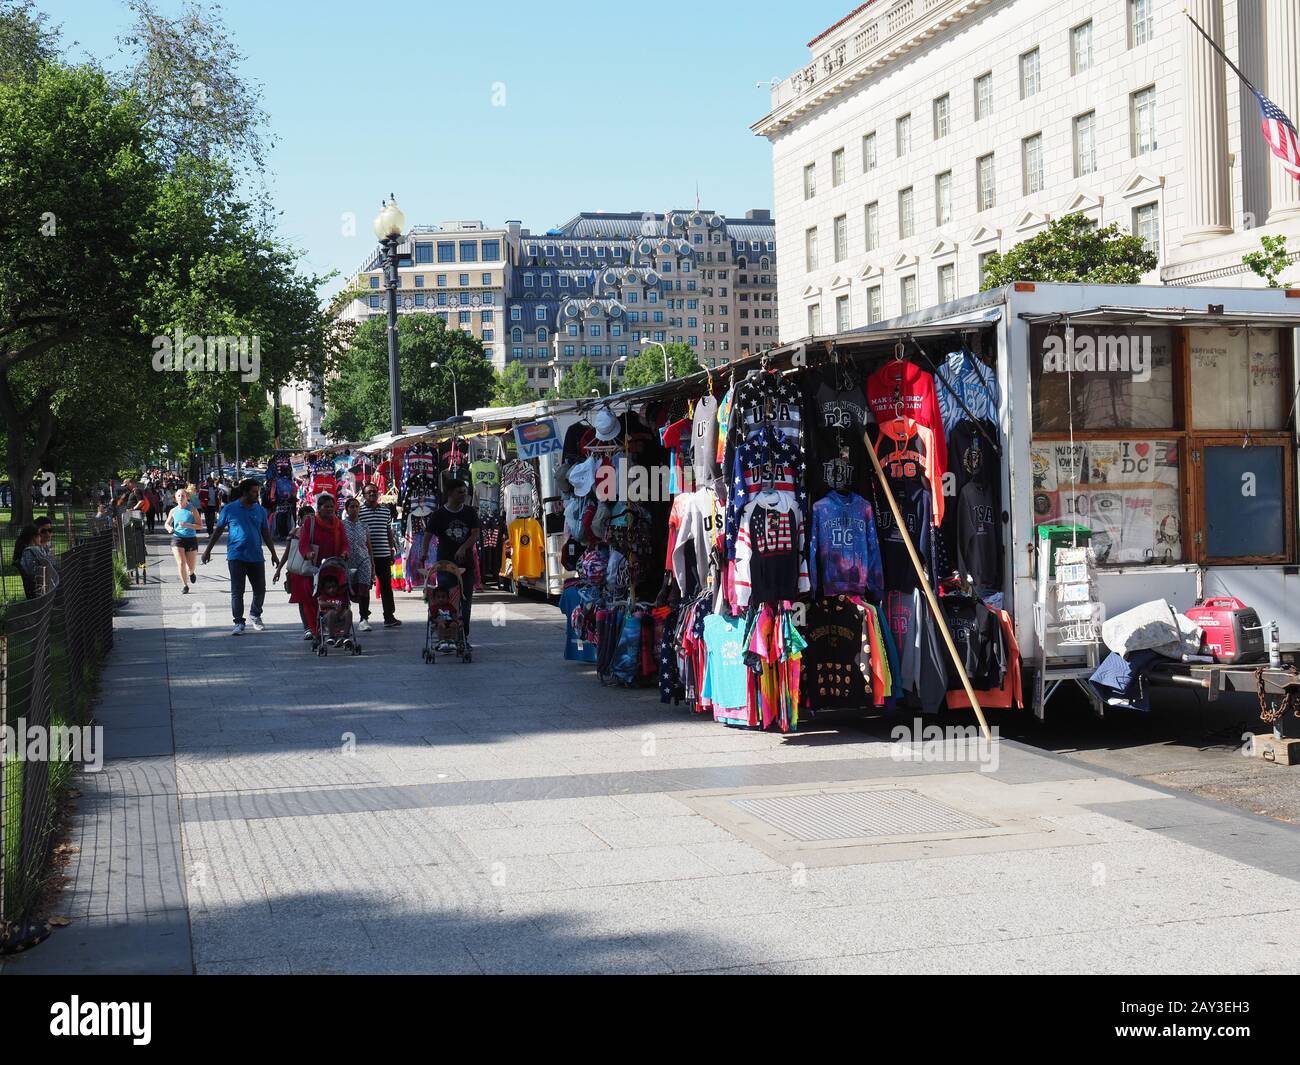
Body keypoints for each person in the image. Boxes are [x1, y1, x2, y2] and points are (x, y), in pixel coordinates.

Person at [201, 478, 278, 636]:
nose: (257, 495)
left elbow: (266, 533)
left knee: (260, 590)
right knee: (237, 591)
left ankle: (255, 615)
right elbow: (218, 531)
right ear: (244, 492)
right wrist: (207, 550)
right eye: (254, 492)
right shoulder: (229, 509)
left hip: (256, 556)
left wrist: (274, 554)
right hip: (236, 556)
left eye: (258, 492)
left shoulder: (260, 510)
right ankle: (238, 622)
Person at [423, 479, 480, 647]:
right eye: (459, 492)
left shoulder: (470, 512)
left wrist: (463, 548)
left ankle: (463, 637)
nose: (463, 495)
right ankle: (446, 635)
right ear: (449, 494)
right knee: (446, 601)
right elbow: (428, 535)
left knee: (465, 602)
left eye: (464, 491)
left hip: (466, 566)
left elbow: (475, 534)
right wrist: (424, 553)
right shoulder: (439, 514)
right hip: (445, 565)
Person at [288, 491, 348, 641]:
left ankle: (335, 628)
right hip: (312, 567)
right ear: (319, 508)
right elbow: (303, 542)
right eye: (326, 506)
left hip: (332, 566)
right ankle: (314, 629)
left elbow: (345, 542)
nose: (330, 509)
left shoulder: (338, 523)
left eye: (332, 506)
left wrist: (345, 552)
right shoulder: (310, 522)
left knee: (334, 596)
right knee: (310, 599)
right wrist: (308, 553)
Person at [360, 482, 401, 627]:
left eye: (374, 492)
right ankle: (363, 617)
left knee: (386, 587)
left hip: (383, 554)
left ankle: (389, 616)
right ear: (364, 495)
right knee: (365, 587)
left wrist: (391, 550)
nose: (372, 494)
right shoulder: (359, 511)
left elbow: (388, 531)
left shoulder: (385, 510)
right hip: (365, 556)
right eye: (369, 492)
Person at [273, 504, 316, 639]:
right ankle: (307, 627)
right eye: (306, 517)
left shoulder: (317, 532)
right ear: (300, 518)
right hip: (297, 572)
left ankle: (315, 626)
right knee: (302, 600)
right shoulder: (295, 532)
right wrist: (279, 569)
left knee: (314, 600)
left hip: (312, 571)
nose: (309, 519)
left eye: (312, 517)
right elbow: (288, 553)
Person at [341, 495, 376, 632]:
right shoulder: (341, 525)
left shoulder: (364, 526)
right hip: (347, 562)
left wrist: (372, 563)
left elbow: (369, 545)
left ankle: (364, 618)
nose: (354, 509)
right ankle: (344, 617)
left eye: (356, 507)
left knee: (364, 589)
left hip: (363, 561)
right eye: (351, 507)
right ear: (346, 509)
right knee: (345, 589)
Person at [164, 488, 202, 592]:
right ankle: (185, 585)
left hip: (191, 539)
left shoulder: (192, 509)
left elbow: (200, 526)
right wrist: (169, 528)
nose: (180, 498)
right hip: (177, 538)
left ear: (187, 498)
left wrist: (188, 525)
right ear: (175, 498)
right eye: (178, 496)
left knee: (191, 566)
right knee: (181, 563)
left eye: (183, 496)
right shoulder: (173, 511)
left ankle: (191, 573)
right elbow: (167, 523)